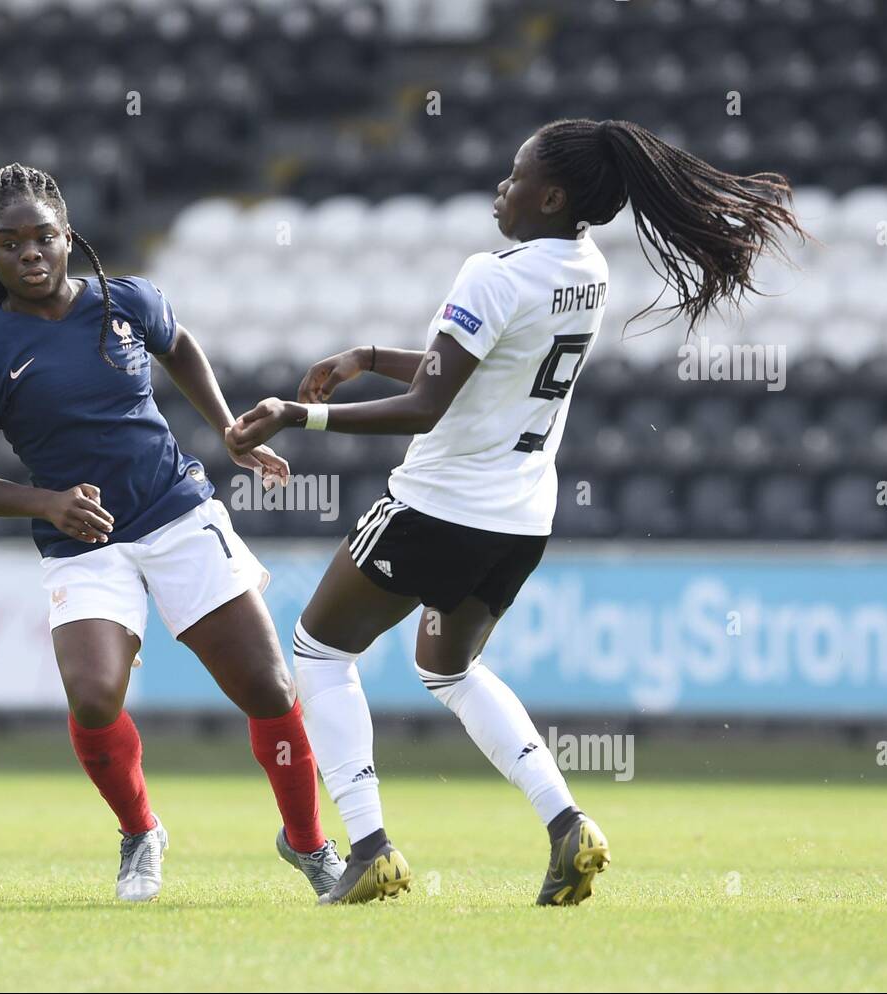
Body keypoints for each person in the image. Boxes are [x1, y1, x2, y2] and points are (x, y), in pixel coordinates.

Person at [226, 119, 806, 905]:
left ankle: (369, 847)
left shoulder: (490, 274)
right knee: (448, 668)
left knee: (320, 651)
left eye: (515, 174)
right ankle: (567, 824)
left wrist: (299, 416)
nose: (502, 186)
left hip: (438, 507)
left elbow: (429, 404)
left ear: (553, 195)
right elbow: (480, 366)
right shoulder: (588, 271)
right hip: (520, 518)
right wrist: (366, 357)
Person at [0, 163, 344, 902]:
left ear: (68, 237)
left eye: (44, 237)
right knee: (93, 696)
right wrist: (47, 502)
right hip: (81, 543)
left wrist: (228, 429)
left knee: (268, 686)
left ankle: (310, 845)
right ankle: (140, 831)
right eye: (10, 243)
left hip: (177, 513)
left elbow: (179, 343)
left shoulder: (127, 301)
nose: (30, 253)